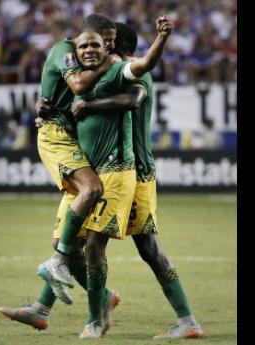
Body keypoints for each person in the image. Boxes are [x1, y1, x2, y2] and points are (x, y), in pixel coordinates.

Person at [71, 22, 203, 340]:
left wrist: (87, 106)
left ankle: (96, 316)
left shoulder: (133, 73)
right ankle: (186, 321)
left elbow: (132, 100)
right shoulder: (115, 73)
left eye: (107, 43)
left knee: (89, 243)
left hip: (132, 171)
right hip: (132, 170)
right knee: (144, 249)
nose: (102, 48)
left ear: (116, 46)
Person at [0, 15, 122, 334]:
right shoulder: (67, 51)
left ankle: (42, 309)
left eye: (111, 41)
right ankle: (64, 271)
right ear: (82, 37)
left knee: (65, 238)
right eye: (102, 39)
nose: (108, 46)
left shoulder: (97, 60)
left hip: (75, 140)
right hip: (56, 136)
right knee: (90, 192)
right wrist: (112, 60)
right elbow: (78, 85)